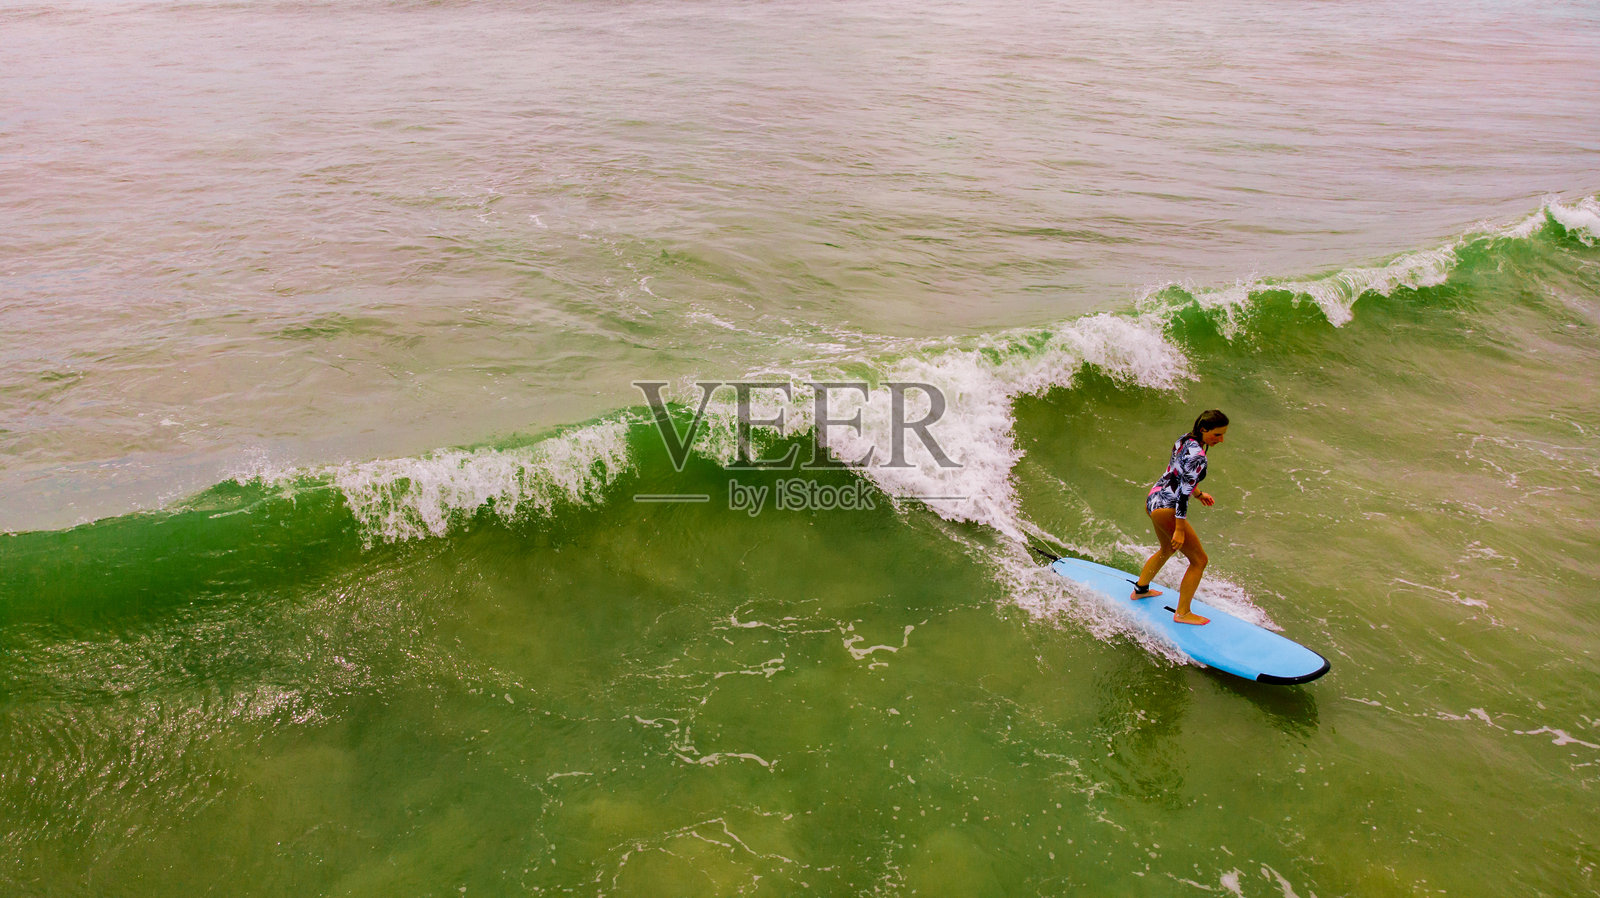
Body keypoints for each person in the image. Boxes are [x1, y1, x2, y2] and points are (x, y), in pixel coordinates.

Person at [1129, 409, 1229, 625]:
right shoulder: (1199, 457)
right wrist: (1179, 529)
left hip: (1154, 499)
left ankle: (1141, 589)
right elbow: (1182, 495)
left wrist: (1199, 494)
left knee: (1167, 549)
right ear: (1204, 430)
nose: (1221, 440)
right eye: (1217, 435)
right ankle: (1183, 613)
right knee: (1199, 560)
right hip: (1169, 507)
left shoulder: (1185, 439)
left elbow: (1179, 473)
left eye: (1223, 435)